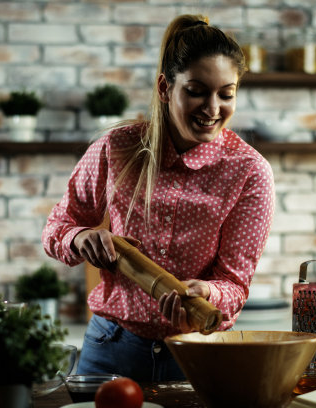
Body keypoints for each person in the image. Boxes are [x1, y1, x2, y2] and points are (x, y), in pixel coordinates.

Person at [42, 14, 275, 382]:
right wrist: (79, 237)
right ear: (165, 88)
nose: (213, 108)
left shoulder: (249, 172)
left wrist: (208, 293)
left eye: (226, 94)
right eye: (196, 90)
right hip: (108, 349)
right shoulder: (116, 148)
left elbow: (234, 284)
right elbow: (58, 227)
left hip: (197, 355)